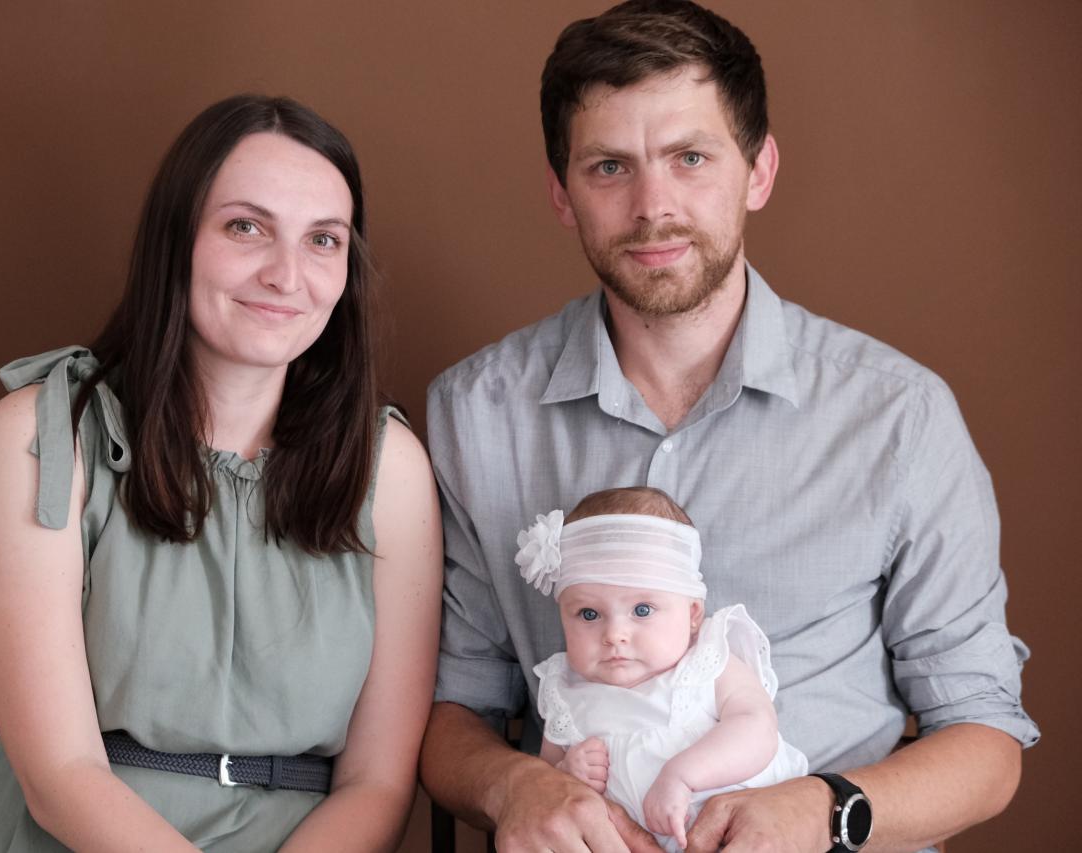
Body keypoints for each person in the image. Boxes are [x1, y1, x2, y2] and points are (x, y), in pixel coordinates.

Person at [420, 2, 1038, 852]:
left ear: (758, 170)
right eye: (610, 166)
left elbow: (986, 740)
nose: (653, 207)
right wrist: (514, 784)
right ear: (562, 194)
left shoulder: (899, 417)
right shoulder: (475, 413)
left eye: (691, 158)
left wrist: (821, 812)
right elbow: (455, 710)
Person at [0, 95, 442, 852]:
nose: (287, 275)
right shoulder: (43, 435)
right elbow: (59, 774)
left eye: (323, 239)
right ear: (175, 239)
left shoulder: (392, 468)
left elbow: (377, 782)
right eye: (246, 227)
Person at [520, 486, 808, 852]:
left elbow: (757, 728)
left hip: (742, 837)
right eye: (589, 614)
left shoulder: (707, 664)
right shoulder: (565, 693)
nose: (614, 635)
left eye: (642, 610)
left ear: (692, 614)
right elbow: (546, 786)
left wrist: (683, 776)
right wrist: (567, 772)